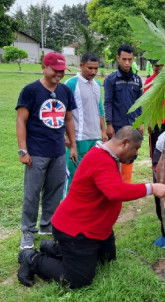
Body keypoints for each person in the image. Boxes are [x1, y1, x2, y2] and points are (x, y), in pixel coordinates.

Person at [17, 127, 165, 289]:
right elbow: (115, 191)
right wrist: (152, 188)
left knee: (106, 260)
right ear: (125, 143)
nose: (136, 154)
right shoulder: (100, 159)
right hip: (76, 230)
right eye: (136, 148)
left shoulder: (108, 156)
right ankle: (32, 259)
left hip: (96, 229)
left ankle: (55, 249)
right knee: (79, 279)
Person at [16, 52, 77, 249]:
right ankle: (28, 231)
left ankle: (47, 225)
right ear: (44, 67)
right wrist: (23, 151)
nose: (59, 74)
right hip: (36, 152)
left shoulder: (65, 91)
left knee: (54, 191)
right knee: (32, 193)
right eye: (55, 70)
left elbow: (68, 119)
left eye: (62, 71)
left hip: (58, 151)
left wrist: (73, 145)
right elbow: (21, 120)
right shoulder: (30, 91)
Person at [63, 52, 107, 196]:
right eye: (90, 68)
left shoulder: (96, 84)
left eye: (96, 68)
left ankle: (87, 204)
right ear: (81, 65)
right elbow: (64, 111)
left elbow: (99, 107)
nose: (93, 72)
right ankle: (68, 205)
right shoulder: (71, 83)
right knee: (74, 176)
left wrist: (103, 131)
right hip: (78, 138)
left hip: (95, 138)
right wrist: (67, 136)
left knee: (92, 174)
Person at [104, 44, 143, 183]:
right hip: (117, 125)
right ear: (118, 58)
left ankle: (126, 184)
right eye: (124, 59)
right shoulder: (111, 79)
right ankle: (113, 182)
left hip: (132, 125)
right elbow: (107, 102)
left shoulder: (137, 80)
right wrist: (109, 124)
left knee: (130, 154)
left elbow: (140, 102)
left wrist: (141, 121)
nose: (127, 63)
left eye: (130, 59)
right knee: (114, 154)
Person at [143, 60, 165, 159]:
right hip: (156, 122)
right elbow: (147, 104)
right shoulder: (149, 82)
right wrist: (149, 121)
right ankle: (155, 167)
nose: (159, 67)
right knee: (156, 148)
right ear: (152, 66)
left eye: (161, 64)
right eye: (156, 65)